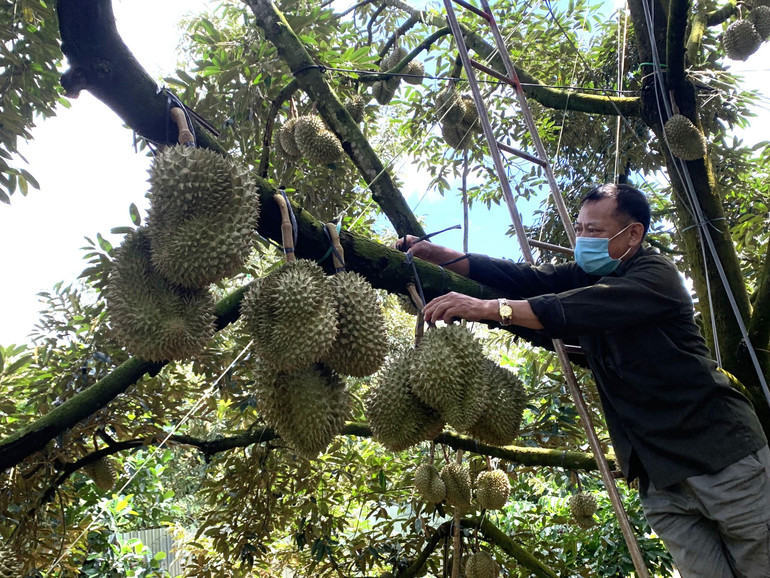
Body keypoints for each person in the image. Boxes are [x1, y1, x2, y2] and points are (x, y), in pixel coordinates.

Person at [398, 183, 770, 577]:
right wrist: (442, 256)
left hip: (723, 459)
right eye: (579, 229)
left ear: (633, 234)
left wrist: (491, 308)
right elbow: (527, 278)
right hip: (661, 480)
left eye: (594, 231)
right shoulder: (584, 276)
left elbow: (579, 307)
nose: (582, 239)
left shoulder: (655, 275)